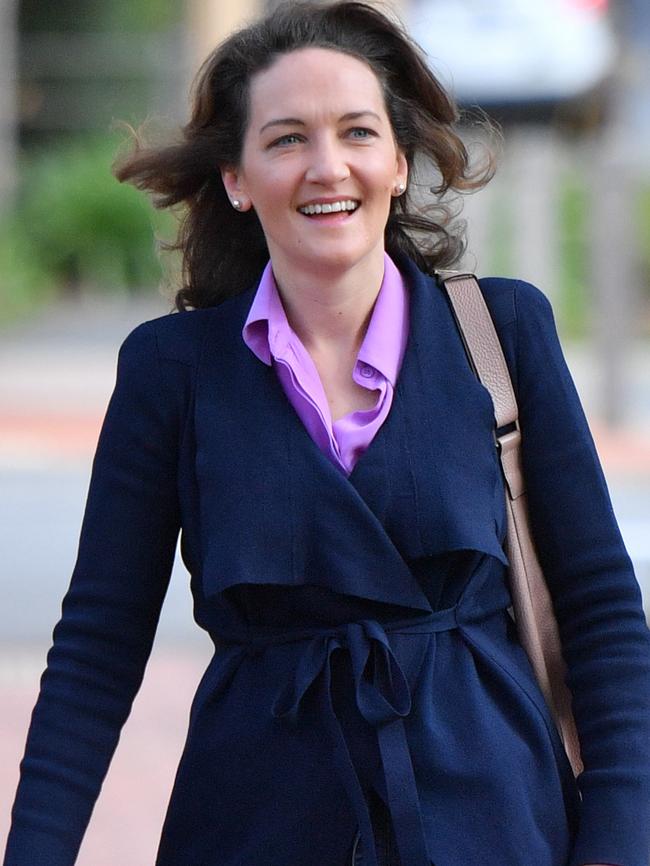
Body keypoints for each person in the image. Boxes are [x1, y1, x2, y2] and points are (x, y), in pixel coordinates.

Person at [4, 2, 650, 865]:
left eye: (356, 132)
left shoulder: (501, 333)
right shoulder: (173, 370)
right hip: (253, 823)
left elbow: (605, 619)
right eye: (285, 139)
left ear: (398, 161)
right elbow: (96, 651)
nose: (327, 166)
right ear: (235, 178)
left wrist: (618, 842)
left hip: (493, 820)